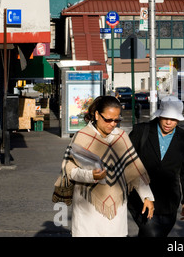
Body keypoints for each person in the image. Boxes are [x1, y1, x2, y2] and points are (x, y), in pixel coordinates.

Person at [57, 95, 154, 237]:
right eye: (108, 119)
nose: (113, 124)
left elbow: (134, 169)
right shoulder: (82, 136)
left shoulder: (121, 137)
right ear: (97, 115)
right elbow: (69, 170)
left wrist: (147, 197)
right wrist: (91, 176)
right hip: (87, 212)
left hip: (116, 214)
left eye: (117, 120)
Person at [127, 96, 184, 237]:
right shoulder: (141, 131)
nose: (169, 122)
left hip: (169, 201)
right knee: (152, 233)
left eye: (173, 119)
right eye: (165, 117)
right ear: (159, 115)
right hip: (140, 198)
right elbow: (126, 161)